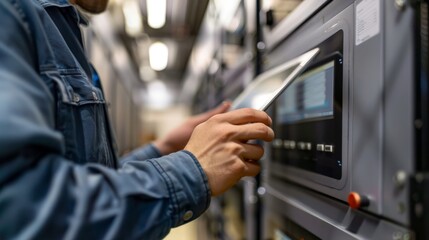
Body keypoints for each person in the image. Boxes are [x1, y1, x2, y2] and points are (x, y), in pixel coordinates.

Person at [0, 0, 274, 239]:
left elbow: (88, 177)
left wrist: (163, 148)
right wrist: (192, 169)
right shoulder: (11, 14)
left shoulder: (64, 34)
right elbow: (25, 211)